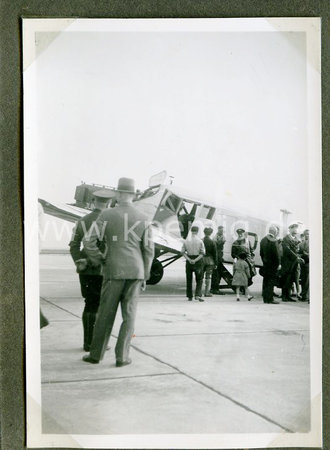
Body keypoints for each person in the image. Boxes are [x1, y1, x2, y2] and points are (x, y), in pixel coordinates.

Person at [82, 177, 154, 366]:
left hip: (113, 270)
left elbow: (88, 242)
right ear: (132, 195)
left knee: (105, 313)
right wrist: (145, 275)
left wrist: (101, 259)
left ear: (119, 194)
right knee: (129, 316)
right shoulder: (144, 218)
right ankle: (122, 357)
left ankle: (96, 355)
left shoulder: (106, 215)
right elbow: (149, 251)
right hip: (136, 272)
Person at [69, 190, 112, 350]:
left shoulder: (81, 221)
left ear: (93, 202)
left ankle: (87, 342)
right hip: (103, 269)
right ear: (108, 203)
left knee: (89, 304)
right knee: (101, 306)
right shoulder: (109, 221)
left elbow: (73, 245)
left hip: (85, 270)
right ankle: (95, 343)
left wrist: (80, 262)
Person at [281, 223, 305, 302]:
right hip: (287, 262)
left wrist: (299, 256)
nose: (295, 230)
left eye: (296, 228)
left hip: (294, 262)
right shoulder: (286, 238)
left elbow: (297, 250)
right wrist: (296, 257)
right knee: (286, 278)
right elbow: (287, 250)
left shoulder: (296, 239)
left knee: (291, 279)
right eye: (293, 228)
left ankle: (288, 296)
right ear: (290, 229)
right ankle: (284, 296)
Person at [181, 226, 205, 302]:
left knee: (189, 278)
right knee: (199, 279)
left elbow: (182, 252)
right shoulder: (200, 241)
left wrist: (189, 259)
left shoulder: (186, 241)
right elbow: (203, 253)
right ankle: (197, 295)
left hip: (189, 260)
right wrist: (195, 260)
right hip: (198, 260)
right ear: (197, 231)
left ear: (191, 231)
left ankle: (189, 296)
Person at [260, 225, 281, 304]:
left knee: (265, 281)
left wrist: (264, 261)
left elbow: (261, 253)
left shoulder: (263, 240)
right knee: (271, 282)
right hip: (273, 265)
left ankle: (265, 299)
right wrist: (278, 264)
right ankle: (270, 299)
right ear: (275, 232)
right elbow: (277, 254)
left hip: (265, 264)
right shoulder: (274, 241)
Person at [202, 227, 217, 297]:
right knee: (208, 277)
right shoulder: (212, 242)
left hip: (201, 260)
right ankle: (207, 292)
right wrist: (216, 263)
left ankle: (199, 291)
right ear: (211, 233)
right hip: (210, 260)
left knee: (200, 276)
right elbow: (215, 254)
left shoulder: (201, 240)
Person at [211, 225, 226, 294]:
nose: (222, 232)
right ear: (218, 230)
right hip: (217, 256)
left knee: (217, 273)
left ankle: (214, 287)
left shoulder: (221, 237)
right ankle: (215, 288)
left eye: (222, 230)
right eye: (221, 230)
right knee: (216, 273)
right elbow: (218, 245)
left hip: (219, 255)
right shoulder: (215, 237)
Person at [299, 229, 309, 302]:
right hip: (305, 264)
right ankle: (304, 295)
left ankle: (304, 295)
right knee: (304, 281)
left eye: (308, 234)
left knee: (305, 281)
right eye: (306, 234)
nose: (307, 235)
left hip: (306, 264)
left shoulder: (302, 244)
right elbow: (299, 253)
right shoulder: (301, 244)